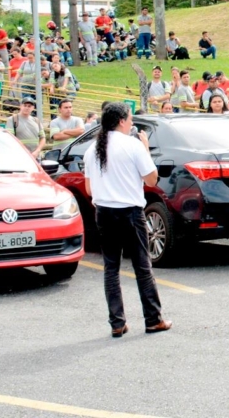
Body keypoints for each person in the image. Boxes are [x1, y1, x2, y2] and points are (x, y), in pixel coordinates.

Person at [84, 102, 171, 337]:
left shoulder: (92, 150)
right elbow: (152, 180)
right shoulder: (133, 145)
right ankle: (153, 319)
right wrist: (145, 149)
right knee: (142, 267)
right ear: (122, 120)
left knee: (111, 268)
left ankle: (117, 322)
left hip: (104, 211)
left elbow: (89, 189)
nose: (132, 122)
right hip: (130, 212)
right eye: (130, 118)